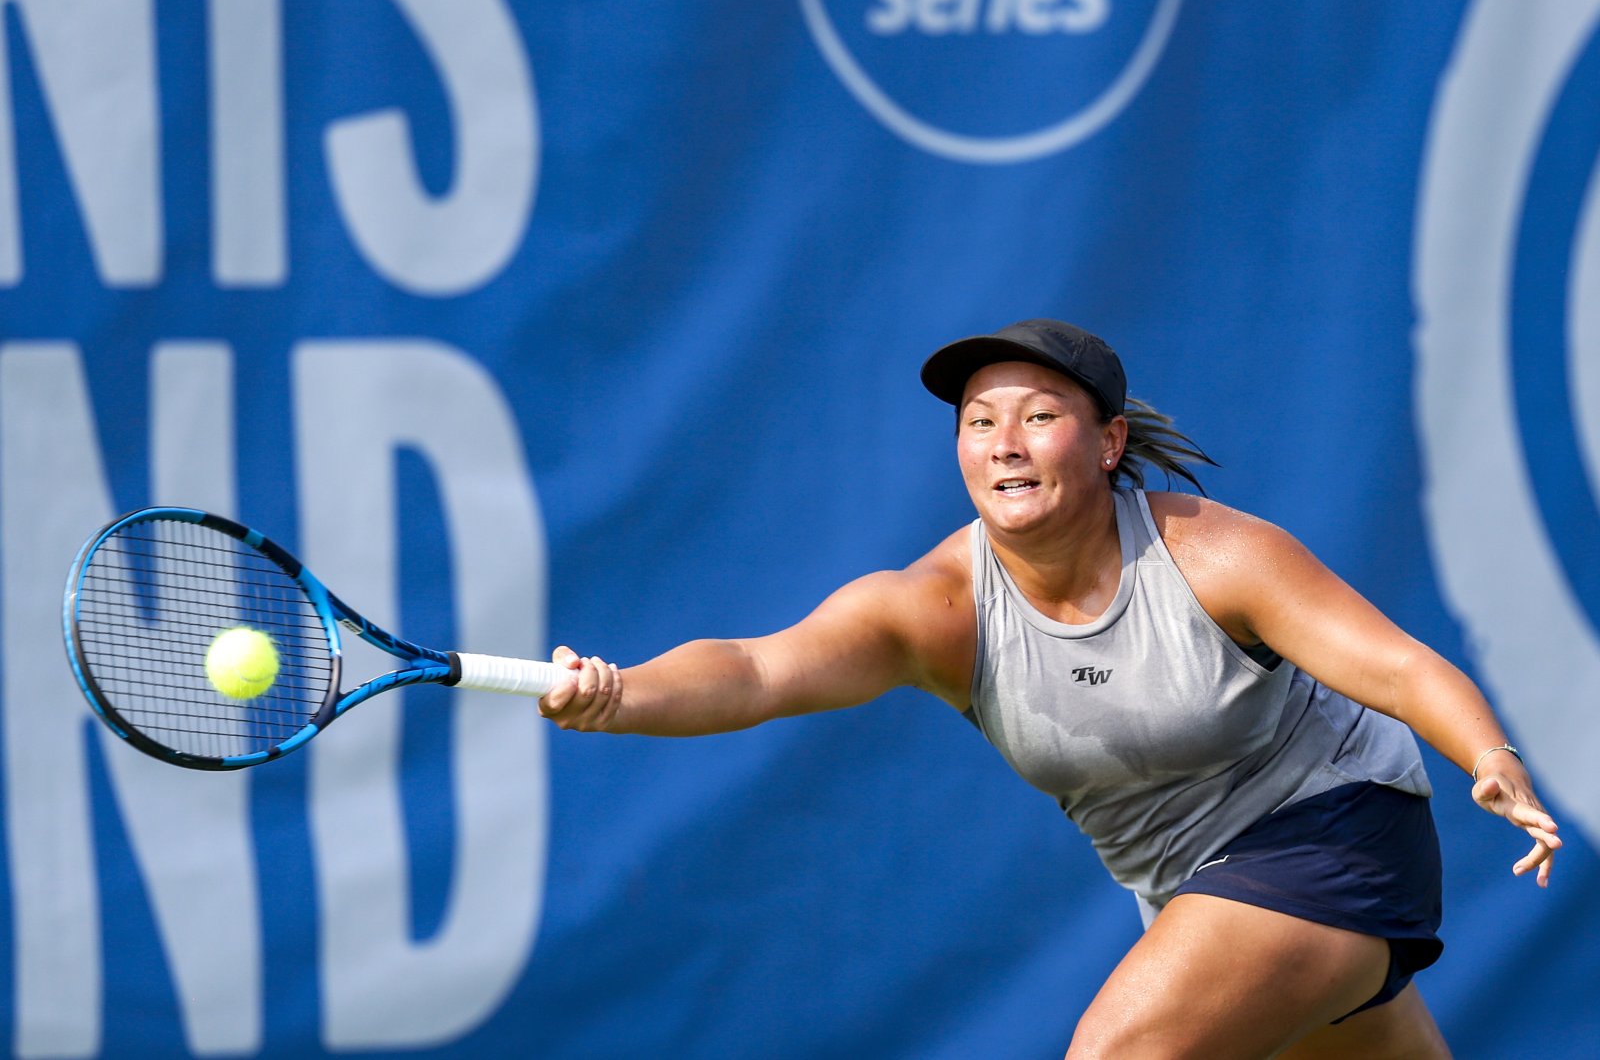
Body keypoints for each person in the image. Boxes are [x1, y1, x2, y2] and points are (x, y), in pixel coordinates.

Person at [537, 319, 1561, 1058]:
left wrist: (1490, 757)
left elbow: (1395, 666)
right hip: (1186, 892)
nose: (1004, 443)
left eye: (1039, 416)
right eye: (980, 422)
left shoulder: (1212, 554)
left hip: (1333, 833)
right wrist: (621, 694)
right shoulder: (931, 609)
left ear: (1108, 443)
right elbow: (758, 668)